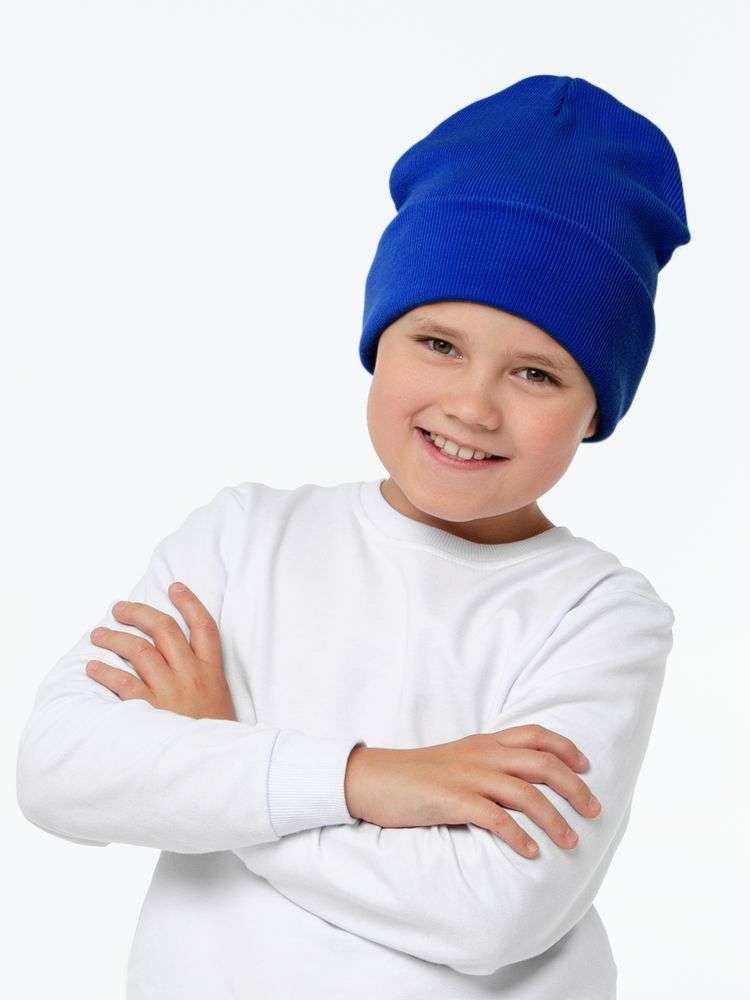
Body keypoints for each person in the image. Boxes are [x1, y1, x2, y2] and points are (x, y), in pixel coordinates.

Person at [16, 74, 691, 999]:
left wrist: (216, 754)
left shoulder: (599, 614)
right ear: (379, 341)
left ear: (596, 409)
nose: (473, 406)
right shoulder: (243, 538)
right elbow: (61, 772)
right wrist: (366, 780)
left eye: (536, 373)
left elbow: (492, 910)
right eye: (439, 344)